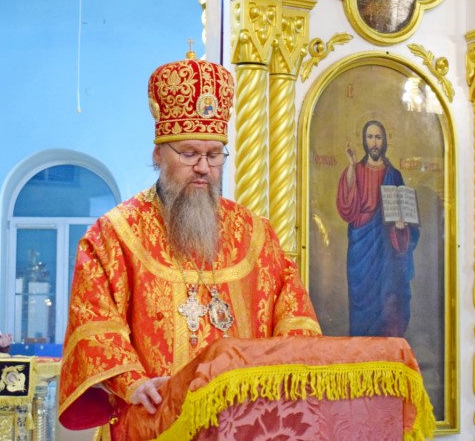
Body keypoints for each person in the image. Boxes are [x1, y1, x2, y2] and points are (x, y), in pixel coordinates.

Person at [58, 56, 321, 434]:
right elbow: (95, 323)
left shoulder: (257, 233)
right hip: (155, 423)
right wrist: (133, 382)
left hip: (244, 426)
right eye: (189, 154)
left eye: (214, 155)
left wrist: (280, 378)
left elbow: (295, 316)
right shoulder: (113, 235)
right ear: (157, 154)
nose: (203, 167)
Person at [336, 120, 419, 337]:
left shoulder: (394, 175)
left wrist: (401, 227)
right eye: (370, 137)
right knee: (362, 302)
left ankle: (387, 347)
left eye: (378, 137)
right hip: (361, 247)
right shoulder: (357, 170)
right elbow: (347, 207)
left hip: (386, 250)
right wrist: (351, 166)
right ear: (364, 140)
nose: (374, 143)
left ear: (384, 141)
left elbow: (406, 214)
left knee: (389, 298)